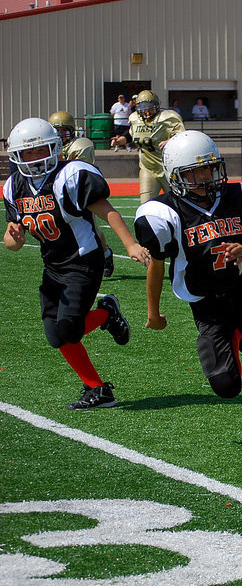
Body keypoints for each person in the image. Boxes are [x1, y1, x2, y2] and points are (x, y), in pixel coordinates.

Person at [134, 130, 242, 457]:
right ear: (175, 176)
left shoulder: (241, 197)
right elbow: (156, 265)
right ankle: (235, 338)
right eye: (195, 172)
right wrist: (153, 313)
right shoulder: (163, 213)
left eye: (209, 168)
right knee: (227, 388)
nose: (205, 177)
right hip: (205, 305)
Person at [3, 117, 150, 410]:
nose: (34, 158)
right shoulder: (14, 186)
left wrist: (130, 244)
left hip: (84, 259)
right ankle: (98, 389)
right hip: (53, 265)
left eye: (40, 150)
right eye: (28, 153)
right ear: (17, 156)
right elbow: (12, 243)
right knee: (56, 335)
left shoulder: (70, 175)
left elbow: (107, 212)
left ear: (55, 148)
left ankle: (106, 315)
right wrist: (15, 236)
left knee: (69, 329)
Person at [49, 111, 116, 278]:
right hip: (56, 191)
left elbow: (80, 172)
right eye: (56, 130)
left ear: (72, 130)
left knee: (90, 227)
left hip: (78, 190)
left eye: (64, 130)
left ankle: (105, 255)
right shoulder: (46, 146)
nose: (60, 134)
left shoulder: (80, 145)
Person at [110, 90, 185, 204]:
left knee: (178, 203)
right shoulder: (135, 119)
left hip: (168, 168)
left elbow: (183, 135)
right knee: (146, 205)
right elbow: (131, 135)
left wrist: (170, 141)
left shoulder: (166, 118)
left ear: (156, 105)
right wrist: (120, 141)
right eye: (143, 106)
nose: (146, 110)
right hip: (148, 168)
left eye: (149, 106)